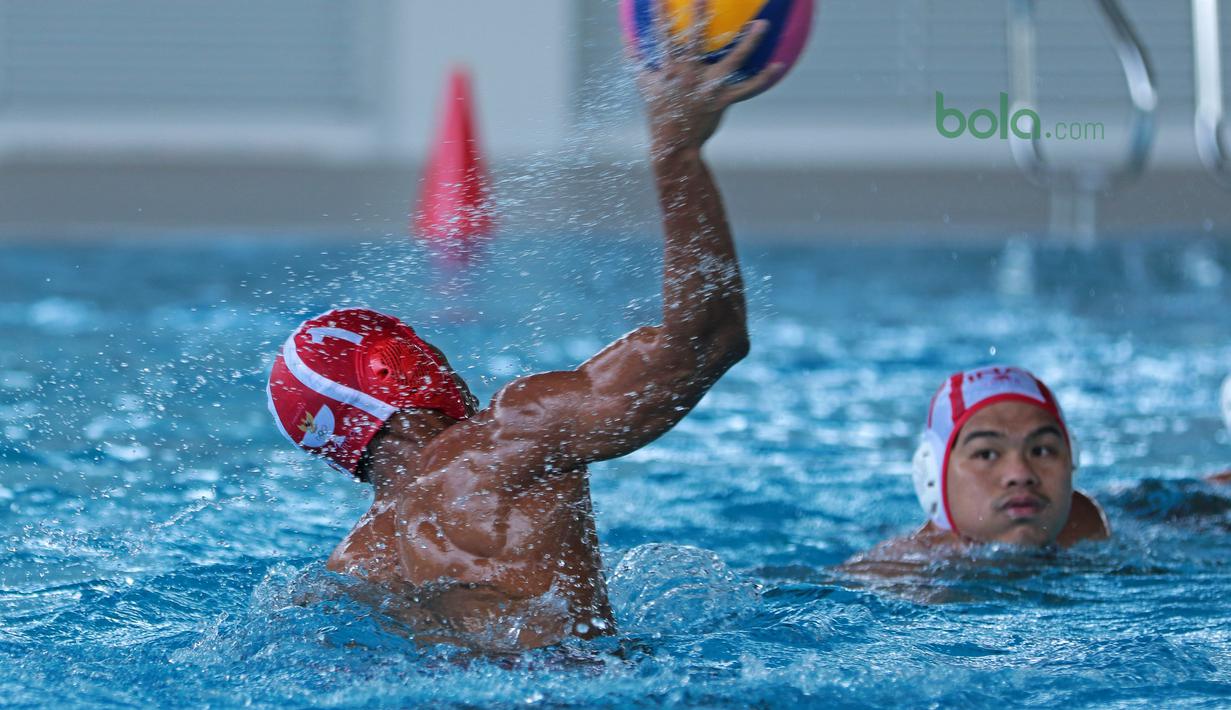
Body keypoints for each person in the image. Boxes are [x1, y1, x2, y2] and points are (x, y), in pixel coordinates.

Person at [265, 4, 779, 651]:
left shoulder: (354, 569)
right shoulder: (509, 438)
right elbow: (706, 340)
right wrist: (676, 149)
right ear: (398, 366)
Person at [845, 365, 1111, 569]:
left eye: (1041, 450)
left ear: (1071, 460)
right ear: (933, 475)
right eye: (986, 454)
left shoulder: (1083, 526)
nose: (1021, 474)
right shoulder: (899, 575)